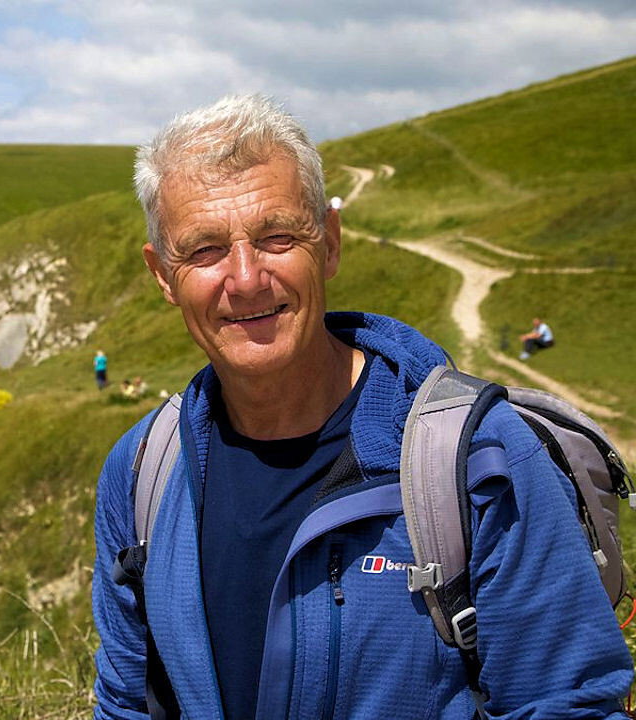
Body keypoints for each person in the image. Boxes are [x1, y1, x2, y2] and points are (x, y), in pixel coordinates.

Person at [92, 95, 632, 719]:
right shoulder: (142, 471)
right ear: (163, 274)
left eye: (277, 237)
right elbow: (127, 705)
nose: (245, 278)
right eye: (204, 249)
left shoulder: (478, 459)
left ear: (329, 243)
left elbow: (568, 706)